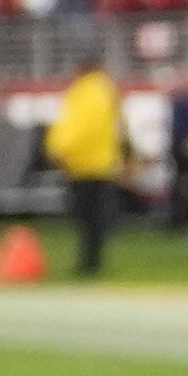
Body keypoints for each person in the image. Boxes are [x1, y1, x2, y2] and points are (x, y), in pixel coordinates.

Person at [50, 55, 133, 274]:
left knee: (85, 220)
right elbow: (121, 128)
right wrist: (126, 156)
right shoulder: (107, 91)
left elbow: (71, 128)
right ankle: (93, 263)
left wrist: (58, 151)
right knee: (97, 220)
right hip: (103, 165)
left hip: (79, 165)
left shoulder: (80, 92)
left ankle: (88, 264)